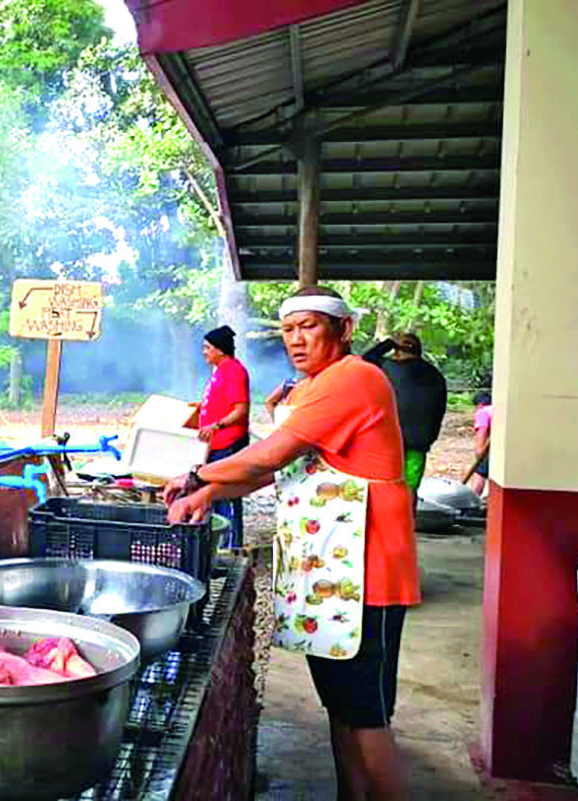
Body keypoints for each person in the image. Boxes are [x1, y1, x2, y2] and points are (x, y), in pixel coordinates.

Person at [164, 286, 417, 801]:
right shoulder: (310, 388)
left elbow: (269, 457)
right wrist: (210, 493)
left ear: (343, 330)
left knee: (368, 717)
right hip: (329, 572)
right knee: (342, 708)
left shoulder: (354, 379)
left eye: (310, 327)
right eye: (288, 329)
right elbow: (278, 470)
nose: (297, 340)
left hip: (369, 574)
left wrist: (195, 475)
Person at [363, 332, 448, 498]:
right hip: (417, 444)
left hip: (386, 442)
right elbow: (440, 409)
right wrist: (429, 438)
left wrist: (387, 343)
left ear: (396, 349)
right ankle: (408, 523)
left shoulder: (386, 367)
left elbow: (365, 359)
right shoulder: (435, 374)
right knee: (409, 490)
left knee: (384, 488)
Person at [196, 324, 251, 548]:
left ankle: (231, 546)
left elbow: (240, 410)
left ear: (220, 349)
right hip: (215, 444)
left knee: (226, 495)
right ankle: (220, 545)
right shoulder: (219, 369)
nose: (204, 351)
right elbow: (222, 401)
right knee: (215, 495)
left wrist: (216, 425)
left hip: (228, 443)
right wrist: (202, 407)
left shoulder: (234, 371)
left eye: (208, 347)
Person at [464, 391, 493, 497]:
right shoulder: (495, 409)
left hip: (492, 449)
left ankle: (473, 500)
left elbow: (482, 433)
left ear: (479, 404)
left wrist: (479, 455)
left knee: (480, 473)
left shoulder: (483, 412)